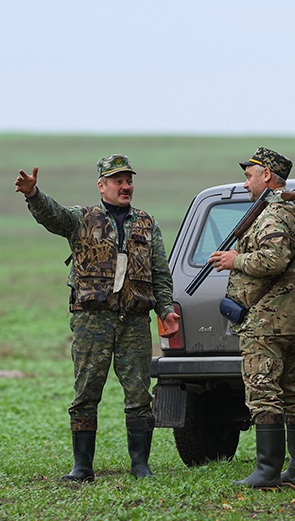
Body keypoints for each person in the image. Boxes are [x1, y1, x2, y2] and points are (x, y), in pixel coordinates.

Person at [15, 151, 179, 481]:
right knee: (87, 393)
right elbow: (54, 216)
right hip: (92, 320)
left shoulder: (147, 223)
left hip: (134, 320)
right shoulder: (83, 218)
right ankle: (82, 467)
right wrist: (33, 194)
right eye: (118, 180)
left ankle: (140, 465)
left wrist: (166, 309)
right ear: (101, 186)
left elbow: (160, 272)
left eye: (129, 180)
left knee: (138, 394)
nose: (126, 186)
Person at [208, 146, 295, 491]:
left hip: (267, 322)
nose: (245, 184)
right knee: (293, 393)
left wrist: (234, 260)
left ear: (267, 175)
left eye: (249, 175)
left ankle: (267, 471)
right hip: (292, 319)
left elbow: (273, 260)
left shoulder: (273, 215)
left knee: (263, 392)